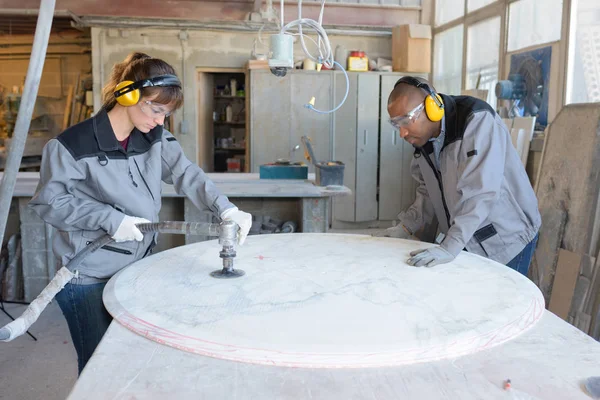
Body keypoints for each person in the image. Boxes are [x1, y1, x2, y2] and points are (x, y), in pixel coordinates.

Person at [29, 52, 252, 374]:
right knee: (98, 368)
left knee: (132, 359)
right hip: (88, 274)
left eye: (167, 113)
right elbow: (50, 202)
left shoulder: (154, 137)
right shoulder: (71, 145)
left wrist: (225, 208)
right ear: (127, 95)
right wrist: (110, 220)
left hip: (138, 266)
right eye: (157, 109)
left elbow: (186, 173)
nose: (161, 120)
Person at [375, 76, 541, 276]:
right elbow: (427, 190)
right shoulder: (424, 140)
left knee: (502, 304)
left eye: (405, 121)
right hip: (469, 237)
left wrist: (449, 246)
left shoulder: (476, 121)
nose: (402, 133)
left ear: (431, 107)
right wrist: (406, 226)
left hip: (507, 238)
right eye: (395, 124)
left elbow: (480, 193)